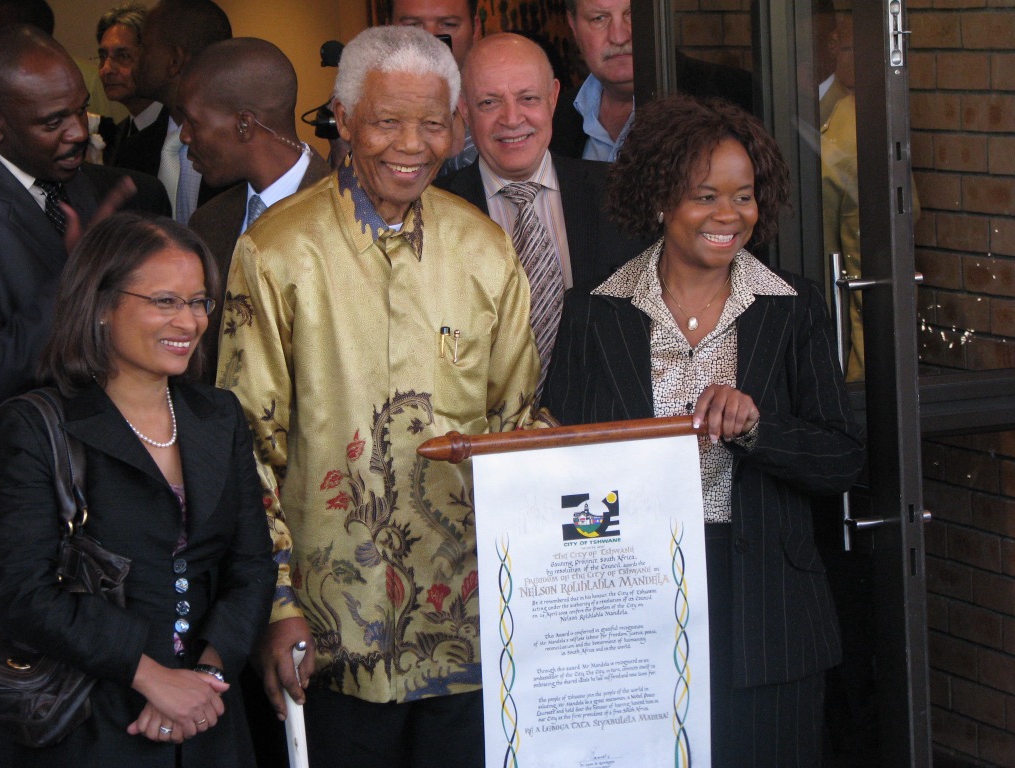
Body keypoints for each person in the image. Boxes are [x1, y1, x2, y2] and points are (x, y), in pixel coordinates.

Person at [216, 25, 541, 768]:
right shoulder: (276, 251)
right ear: (344, 118)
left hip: (467, 625)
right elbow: (246, 446)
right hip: (333, 638)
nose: (412, 143)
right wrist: (278, 603)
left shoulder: (486, 249)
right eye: (388, 120)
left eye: (432, 122)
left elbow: (517, 423)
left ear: (456, 127)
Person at [543, 94, 865, 767]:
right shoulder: (594, 312)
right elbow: (561, 471)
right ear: (660, 199)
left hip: (768, 616)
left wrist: (758, 426)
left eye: (744, 197)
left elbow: (842, 460)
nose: (729, 216)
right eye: (705, 196)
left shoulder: (794, 306)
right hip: (634, 609)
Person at [0, 211, 276, 766]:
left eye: (198, 302)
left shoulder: (218, 415)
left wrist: (207, 677)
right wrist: (151, 678)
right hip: (85, 721)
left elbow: (252, 565)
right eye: (164, 301)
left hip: (208, 723)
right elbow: (21, 593)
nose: (189, 321)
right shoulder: (33, 423)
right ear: (100, 305)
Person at [436, 33, 648, 384]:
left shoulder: (620, 193)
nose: (512, 118)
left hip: (600, 428)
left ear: (552, 98)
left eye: (528, 98)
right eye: (489, 102)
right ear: (463, 109)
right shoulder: (434, 211)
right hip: (482, 429)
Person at [0, 24, 169, 404]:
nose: (78, 133)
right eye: (53, 122)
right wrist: (78, 270)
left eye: (81, 109)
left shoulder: (125, 192)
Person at [181, 37, 332, 382]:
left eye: (193, 122)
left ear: (244, 125)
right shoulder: (208, 222)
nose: (185, 136)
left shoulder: (350, 214)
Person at [116, 0, 232, 223]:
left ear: (174, 61)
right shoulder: (134, 150)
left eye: (145, 47)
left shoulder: (237, 150)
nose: (136, 58)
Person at [389, 0, 482, 174]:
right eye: (413, 25)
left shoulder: (508, 106)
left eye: (448, 24)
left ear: (475, 28)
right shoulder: (367, 109)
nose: (430, 40)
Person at [551, 0, 634, 162]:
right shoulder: (554, 117)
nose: (619, 37)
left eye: (633, 14)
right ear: (573, 25)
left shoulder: (697, 99)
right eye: (599, 18)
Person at [96, 3, 164, 165]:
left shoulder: (178, 132)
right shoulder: (117, 135)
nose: (106, 70)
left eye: (123, 56)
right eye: (103, 57)